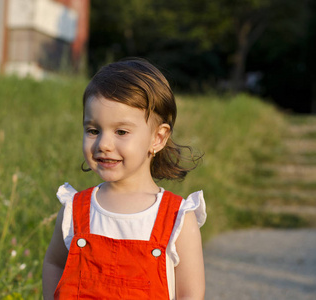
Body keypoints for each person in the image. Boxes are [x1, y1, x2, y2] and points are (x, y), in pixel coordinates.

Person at [42, 58, 206, 300]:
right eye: (93, 130)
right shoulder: (76, 211)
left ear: (157, 138)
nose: (104, 144)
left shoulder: (177, 219)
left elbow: (190, 294)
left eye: (121, 132)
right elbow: (54, 263)